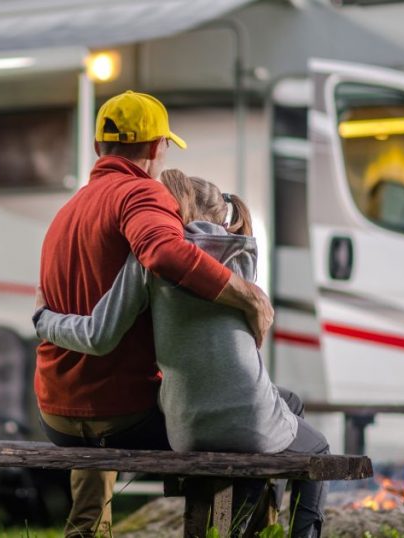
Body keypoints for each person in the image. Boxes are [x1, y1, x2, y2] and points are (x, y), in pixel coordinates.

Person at [35, 170, 330, 538]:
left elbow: (99, 334)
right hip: (244, 415)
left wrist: (44, 320)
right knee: (317, 450)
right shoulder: (242, 254)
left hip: (184, 426)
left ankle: (241, 521)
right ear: (224, 215)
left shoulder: (143, 260)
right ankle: (277, 528)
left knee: (281, 411)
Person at [35, 91, 274, 537]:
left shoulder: (67, 212)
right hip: (120, 415)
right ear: (154, 148)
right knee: (220, 433)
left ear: (97, 149)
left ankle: (86, 530)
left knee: (104, 394)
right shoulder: (141, 193)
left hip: (56, 416)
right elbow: (165, 250)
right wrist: (247, 295)